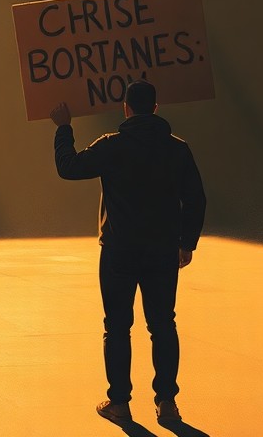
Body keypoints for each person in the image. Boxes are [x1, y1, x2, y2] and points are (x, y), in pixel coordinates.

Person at [50, 79, 206, 427]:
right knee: (163, 325)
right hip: (162, 251)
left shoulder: (111, 146)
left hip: (119, 250)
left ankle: (119, 403)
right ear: (156, 108)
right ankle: (167, 403)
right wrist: (187, 243)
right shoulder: (177, 149)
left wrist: (63, 128)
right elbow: (196, 199)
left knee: (118, 327)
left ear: (126, 108)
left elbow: (69, 168)